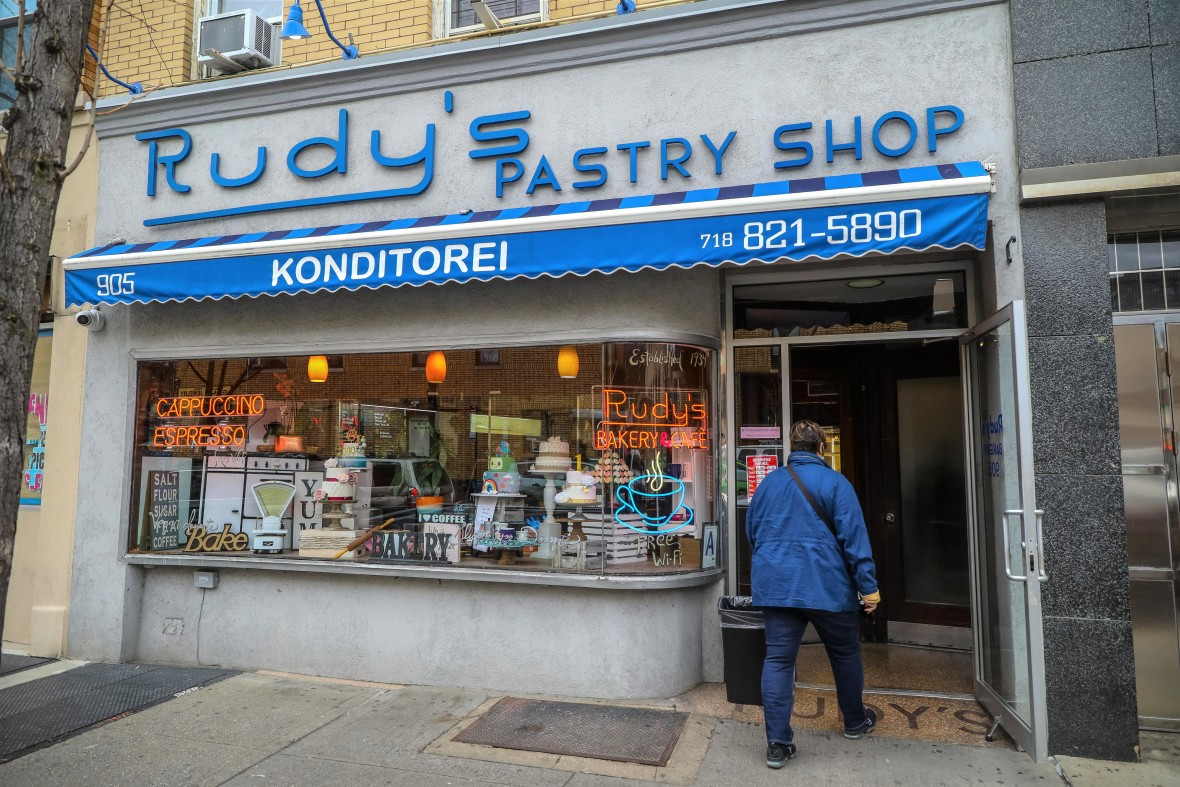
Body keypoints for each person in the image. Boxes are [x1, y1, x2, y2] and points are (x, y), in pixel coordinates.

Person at [745, 420, 881, 768]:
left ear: (792, 448)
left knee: (778, 659)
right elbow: (855, 541)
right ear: (822, 448)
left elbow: (753, 533)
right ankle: (854, 721)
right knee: (845, 654)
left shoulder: (769, 484)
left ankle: (777, 743)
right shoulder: (837, 483)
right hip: (828, 585)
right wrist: (869, 589)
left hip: (776, 585)